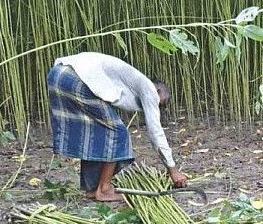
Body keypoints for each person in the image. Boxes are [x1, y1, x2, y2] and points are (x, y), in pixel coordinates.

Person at [46, 52, 187, 202]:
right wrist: (173, 169)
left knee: (98, 131)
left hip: (58, 75)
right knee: (118, 133)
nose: (158, 107)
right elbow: (155, 132)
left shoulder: (129, 82)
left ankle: (93, 188)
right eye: (161, 103)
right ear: (158, 90)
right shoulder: (149, 88)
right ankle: (105, 189)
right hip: (77, 78)